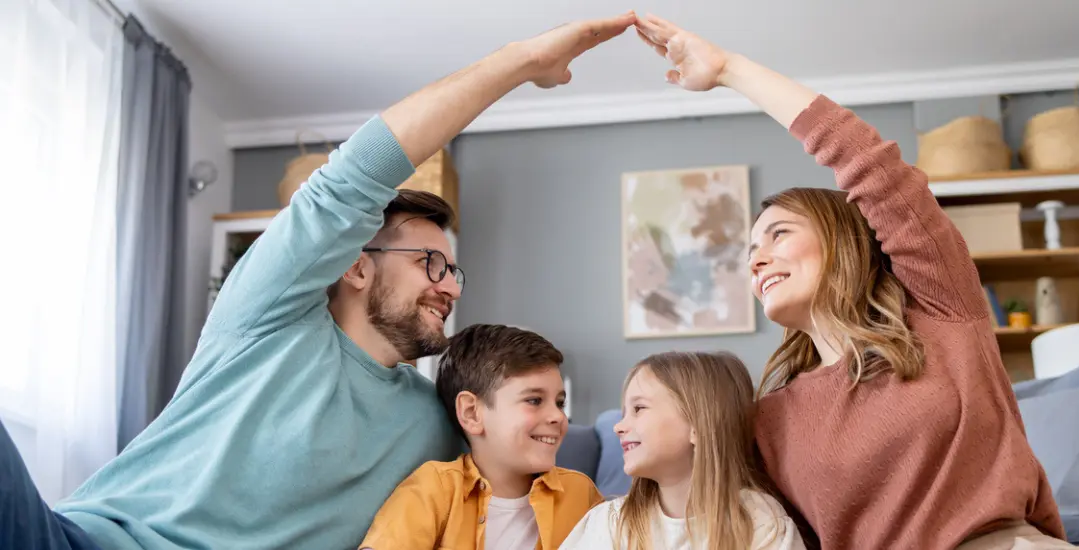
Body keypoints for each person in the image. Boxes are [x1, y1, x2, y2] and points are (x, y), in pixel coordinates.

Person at [0, 12, 639, 550]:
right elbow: (355, 175)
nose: (451, 288)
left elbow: (520, 462)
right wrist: (521, 61)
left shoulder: (437, 423)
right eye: (430, 264)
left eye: (454, 271)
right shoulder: (269, 318)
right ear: (356, 264)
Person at [630, 14, 1079, 550]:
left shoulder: (941, 312)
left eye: (778, 234)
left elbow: (870, 165)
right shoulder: (771, 418)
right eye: (751, 251)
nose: (757, 260)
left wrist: (728, 68)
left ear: (844, 242)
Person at [358, 323, 602, 549]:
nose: (558, 416)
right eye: (534, 400)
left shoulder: (581, 494)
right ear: (472, 413)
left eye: (560, 403)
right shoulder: (435, 490)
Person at [560, 351, 807, 550]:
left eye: (639, 409)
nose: (618, 427)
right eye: (624, 413)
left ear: (698, 426)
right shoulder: (610, 522)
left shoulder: (759, 521)